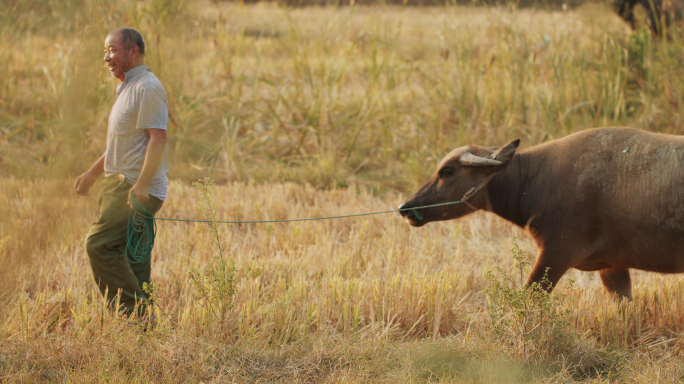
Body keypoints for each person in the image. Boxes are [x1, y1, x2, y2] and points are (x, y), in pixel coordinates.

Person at [74, 27, 169, 317]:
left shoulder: (148, 88)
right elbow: (121, 144)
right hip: (121, 184)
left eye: (112, 49)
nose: (107, 56)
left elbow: (158, 139)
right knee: (132, 257)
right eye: (106, 50)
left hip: (133, 188)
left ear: (133, 51)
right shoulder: (126, 87)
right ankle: (144, 330)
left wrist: (141, 186)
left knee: (99, 244)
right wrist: (92, 174)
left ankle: (136, 315)